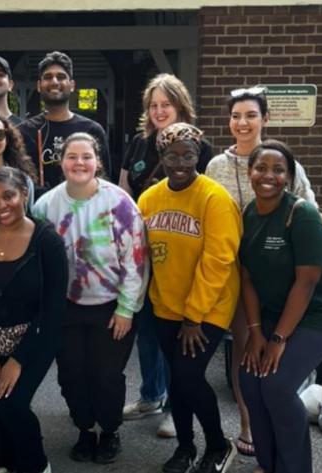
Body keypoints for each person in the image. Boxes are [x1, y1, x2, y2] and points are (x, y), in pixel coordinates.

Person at [204, 86, 316, 458]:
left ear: (264, 119)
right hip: (238, 272)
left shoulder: (286, 162)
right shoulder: (216, 166)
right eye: (236, 116)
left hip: (282, 273)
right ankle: (250, 423)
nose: (243, 122)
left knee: (280, 350)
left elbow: (308, 208)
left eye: (251, 115)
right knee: (245, 349)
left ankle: (280, 423)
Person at [32, 132, 148, 464]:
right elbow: (36, 260)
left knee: (106, 375)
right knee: (71, 374)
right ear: (62, 161)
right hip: (65, 307)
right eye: (72, 156)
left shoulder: (120, 204)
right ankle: (85, 429)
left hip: (112, 306)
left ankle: (109, 431)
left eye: (86, 156)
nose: (79, 163)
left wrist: (127, 308)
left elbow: (136, 259)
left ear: (97, 161)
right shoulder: (46, 206)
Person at [238, 140, 322, 473]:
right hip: (276, 309)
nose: (268, 176)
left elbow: (307, 283)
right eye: (261, 168)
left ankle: (295, 467)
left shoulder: (301, 215)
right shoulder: (249, 212)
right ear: (250, 172)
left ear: (288, 177)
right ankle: (268, 463)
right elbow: (246, 277)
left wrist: (277, 340)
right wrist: (256, 334)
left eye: (278, 170)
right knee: (249, 380)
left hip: (320, 311)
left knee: (276, 385)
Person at [137, 123, 239, 473]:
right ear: (161, 156)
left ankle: (218, 444)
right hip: (166, 306)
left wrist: (193, 316)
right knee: (178, 379)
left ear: (199, 156)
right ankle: (185, 448)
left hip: (208, 308)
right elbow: (142, 255)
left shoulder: (214, 198)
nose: (180, 162)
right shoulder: (149, 198)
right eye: (172, 155)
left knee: (187, 375)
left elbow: (219, 261)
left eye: (188, 155)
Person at [0, 167, 67, 473]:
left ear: (25, 194)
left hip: (35, 339)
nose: (1, 205)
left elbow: (53, 310)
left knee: (11, 404)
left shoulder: (47, 242)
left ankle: (35, 464)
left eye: (9, 196)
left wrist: (18, 360)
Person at [117, 73, 201, 438]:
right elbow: (123, 191)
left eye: (166, 104)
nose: (159, 111)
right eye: (153, 105)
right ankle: (151, 394)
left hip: (180, 250)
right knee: (147, 328)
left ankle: (174, 407)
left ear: (180, 105)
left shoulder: (198, 144)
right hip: (141, 251)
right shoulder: (139, 143)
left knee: (174, 332)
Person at [17, 51, 110, 190]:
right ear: (38, 85)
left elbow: (104, 181)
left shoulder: (92, 130)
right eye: (48, 77)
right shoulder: (23, 132)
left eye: (61, 77)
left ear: (72, 85)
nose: (54, 82)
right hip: (36, 210)